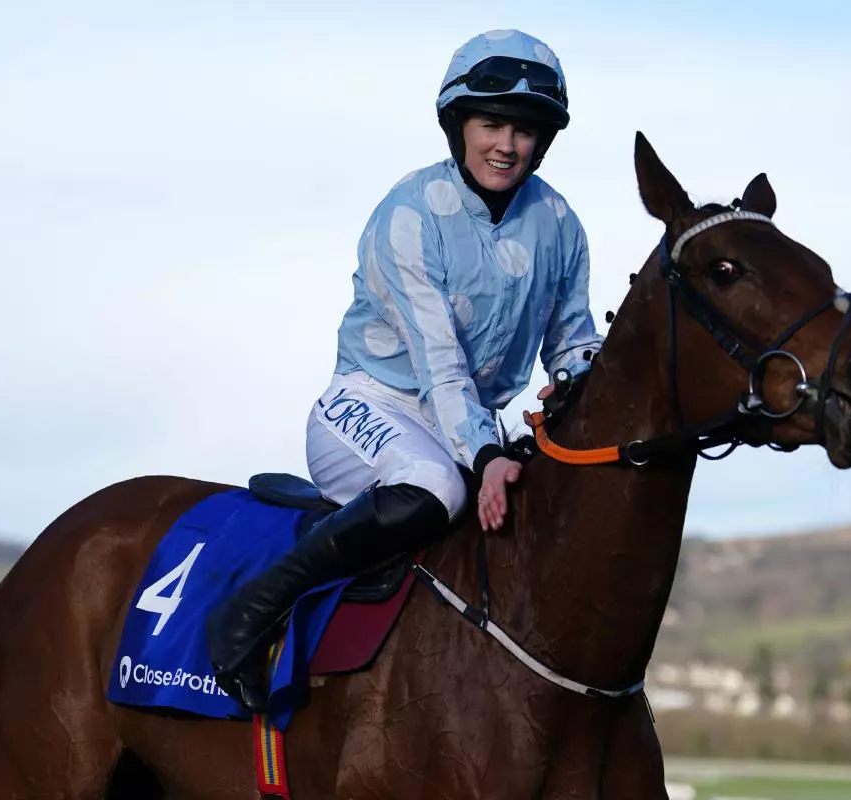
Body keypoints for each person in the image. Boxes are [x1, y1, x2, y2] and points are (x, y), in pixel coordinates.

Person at [206, 28, 605, 713]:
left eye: (525, 130)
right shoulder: (409, 213)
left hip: (471, 421)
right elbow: (440, 368)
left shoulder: (560, 223)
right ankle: (249, 609)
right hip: (372, 406)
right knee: (435, 485)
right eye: (492, 124)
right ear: (460, 125)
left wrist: (612, 381)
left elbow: (573, 344)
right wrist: (484, 455)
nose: (507, 145)